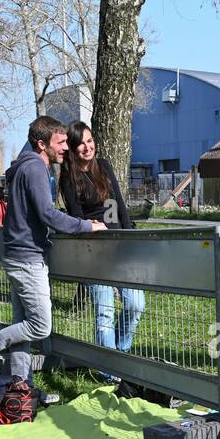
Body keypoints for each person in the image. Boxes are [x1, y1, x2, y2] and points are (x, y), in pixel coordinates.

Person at [0, 115, 106, 382]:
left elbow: (36, 212)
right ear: (41, 144)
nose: (66, 148)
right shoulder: (35, 167)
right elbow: (48, 215)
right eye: (60, 143)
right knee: (39, 326)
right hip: (27, 259)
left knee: (21, 330)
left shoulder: (24, 167)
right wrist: (86, 226)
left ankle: (21, 390)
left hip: (17, 255)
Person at [60, 122, 145, 365]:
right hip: (94, 252)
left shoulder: (103, 166)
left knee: (135, 304)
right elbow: (77, 217)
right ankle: (111, 369)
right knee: (104, 312)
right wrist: (92, 224)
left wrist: (129, 236)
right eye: (80, 144)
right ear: (73, 150)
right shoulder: (69, 178)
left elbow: (116, 204)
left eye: (89, 141)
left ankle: (121, 352)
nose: (87, 147)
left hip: (120, 246)